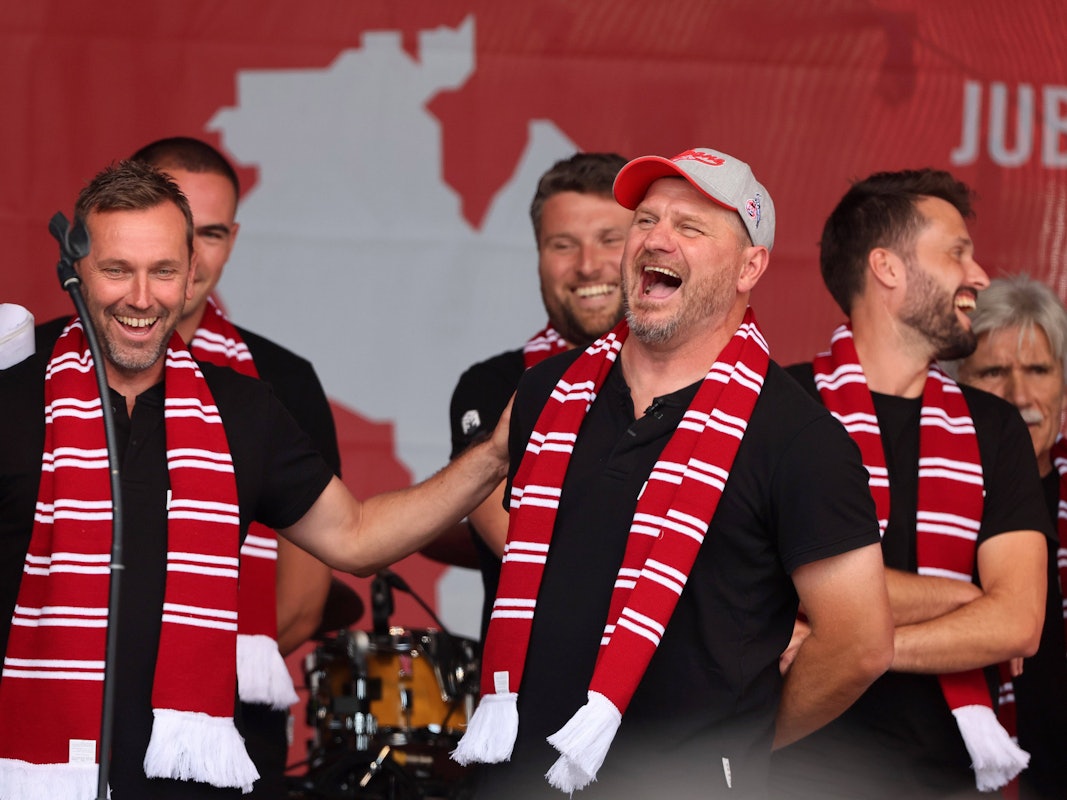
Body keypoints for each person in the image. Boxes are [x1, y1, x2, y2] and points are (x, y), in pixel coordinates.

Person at [0, 159, 508, 800]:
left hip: (184, 771)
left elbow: (357, 536)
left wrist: (493, 454)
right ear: (76, 271)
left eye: (162, 271)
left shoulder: (244, 410)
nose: (140, 296)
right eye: (116, 270)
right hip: (23, 767)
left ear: (192, 279)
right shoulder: (12, 396)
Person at [450, 147, 894, 799]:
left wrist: (729, 747)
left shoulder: (795, 437)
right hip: (518, 773)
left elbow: (859, 644)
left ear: (750, 267)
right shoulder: (546, 391)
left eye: (690, 227)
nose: (656, 238)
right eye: (645, 220)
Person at [770, 170, 1052, 798]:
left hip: (949, 775)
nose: (979, 276)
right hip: (795, 771)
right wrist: (963, 596)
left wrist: (849, 644)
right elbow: (769, 589)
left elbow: (1016, 622)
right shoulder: (778, 408)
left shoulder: (994, 427)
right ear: (887, 268)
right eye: (956, 252)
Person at [130, 136, 339, 798]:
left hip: (232, 732)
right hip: (74, 710)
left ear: (234, 238)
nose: (191, 255)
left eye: (212, 233)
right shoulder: (42, 365)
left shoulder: (282, 382)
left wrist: (177, 673)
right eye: (173, 226)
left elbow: (304, 604)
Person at [444, 151, 631, 644]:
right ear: (538, 256)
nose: (588, 266)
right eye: (563, 245)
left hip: (674, 703)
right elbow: (517, 542)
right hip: (528, 696)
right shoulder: (492, 386)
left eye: (610, 240)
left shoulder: (703, 384)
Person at [945, 274, 1067, 799]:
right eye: (994, 371)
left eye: (1039, 369)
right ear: (953, 383)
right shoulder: (932, 497)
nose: (1021, 395)